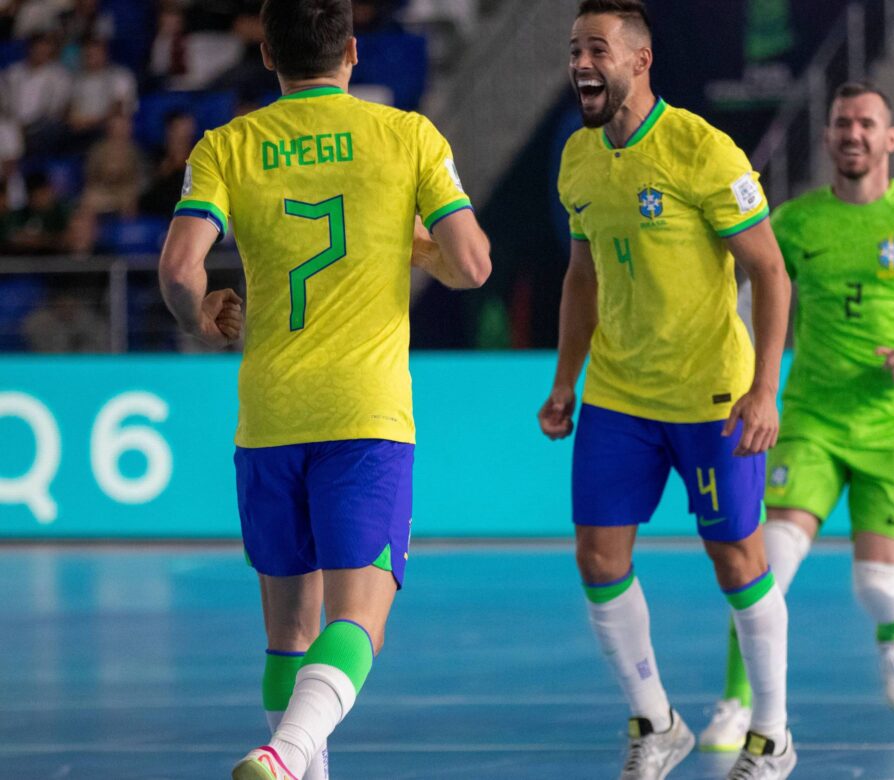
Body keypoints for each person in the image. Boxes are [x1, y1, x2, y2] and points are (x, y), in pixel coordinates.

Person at [156, 1, 491, 778]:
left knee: (287, 634)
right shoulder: (406, 135)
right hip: (364, 414)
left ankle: (297, 761)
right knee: (360, 623)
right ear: (351, 51)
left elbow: (178, 271)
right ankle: (286, 752)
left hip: (270, 416)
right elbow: (471, 264)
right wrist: (416, 246)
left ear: (268, 55)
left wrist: (201, 312)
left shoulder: (228, 146)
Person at [538, 2, 795, 777]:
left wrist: (764, 389)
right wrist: (564, 380)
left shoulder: (702, 151)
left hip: (711, 397)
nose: (582, 61)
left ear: (640, 61)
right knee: (597, 558)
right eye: (575, 47)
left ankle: (773, 733)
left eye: (598, 49)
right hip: (619, 394)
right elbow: (581, 275)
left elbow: (769, 272)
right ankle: (656, 723)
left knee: (738, 562)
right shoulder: (577, 160)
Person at [699, 81, 894, 752]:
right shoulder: (798, 222)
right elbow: (751, 305)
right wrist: (745, 380)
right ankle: (736, 705)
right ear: (828, 137)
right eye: (841, 124)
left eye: (866, 123)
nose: (852, 133)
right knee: (762, 566)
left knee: (880, 586)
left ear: (890, 138)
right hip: (810, 419)